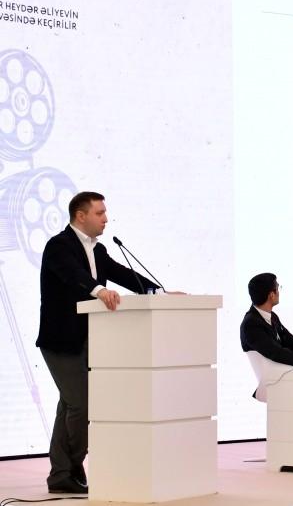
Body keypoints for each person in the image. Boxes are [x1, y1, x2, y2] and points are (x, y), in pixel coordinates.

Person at [36, 191, 159, 494]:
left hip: (91, 339)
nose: (106, 219)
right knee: (82, 404)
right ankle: (73, 465)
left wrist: (158, 292)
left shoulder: (99, 249)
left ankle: (61, 474)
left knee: (69, 405)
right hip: (61, 341)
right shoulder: (59, 245)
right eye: (100, 213)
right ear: (81, 216)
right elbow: (73, 275)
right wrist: (99, 291)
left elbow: (123, 274)